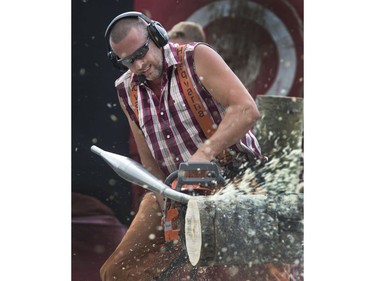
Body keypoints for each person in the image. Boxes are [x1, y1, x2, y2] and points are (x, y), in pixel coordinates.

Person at [100, 11, 289, 281]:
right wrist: (166, 201)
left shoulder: (195, 57)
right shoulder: (125, 89)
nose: (140, 64)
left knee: (265, 273)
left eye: (142, 52)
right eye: (129, 61)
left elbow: (246, 110)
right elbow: (149, 160)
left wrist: (202, 157)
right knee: (118, 272)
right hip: (174, 192)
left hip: (235, 179)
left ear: (157, 36)